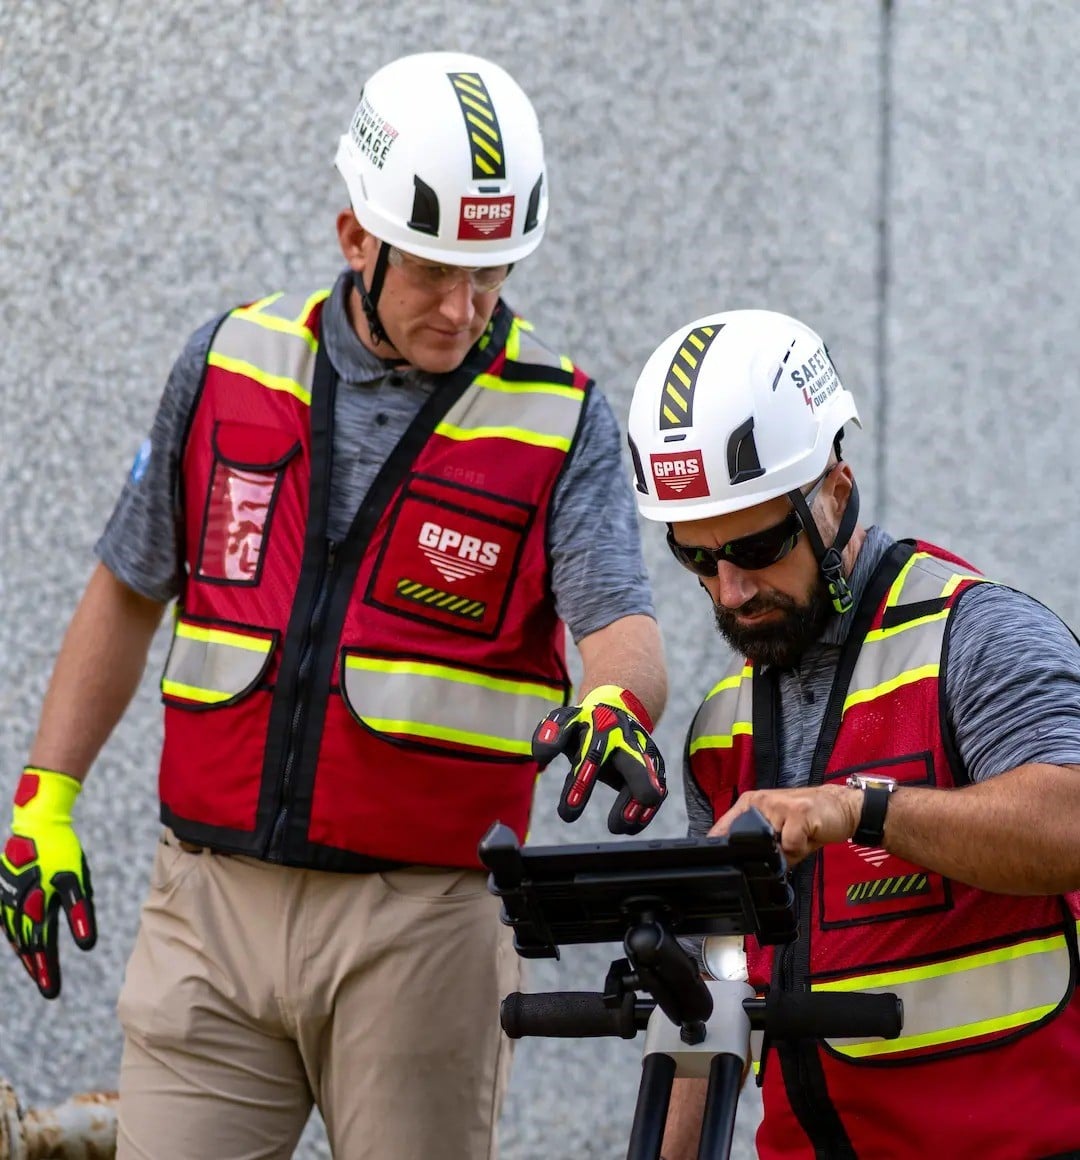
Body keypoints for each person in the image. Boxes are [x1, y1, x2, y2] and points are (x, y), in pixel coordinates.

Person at [0, 51, 669, 1160]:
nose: (465, 308)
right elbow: (126, 588)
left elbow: (621, 627)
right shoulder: (227, 365)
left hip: (425, 929)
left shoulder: (562, 420)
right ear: (356, 235)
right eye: (437, 272)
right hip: (208, 909)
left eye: (493, 274)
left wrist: (618, 704)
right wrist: (45, 794)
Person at [622, 309, 1080, 1159]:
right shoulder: (721, 732)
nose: (729, 589)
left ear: (835, 493)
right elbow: (704, 1007)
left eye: (757, 544)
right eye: (697, 557)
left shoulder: (975, 637)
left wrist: (857, 810)